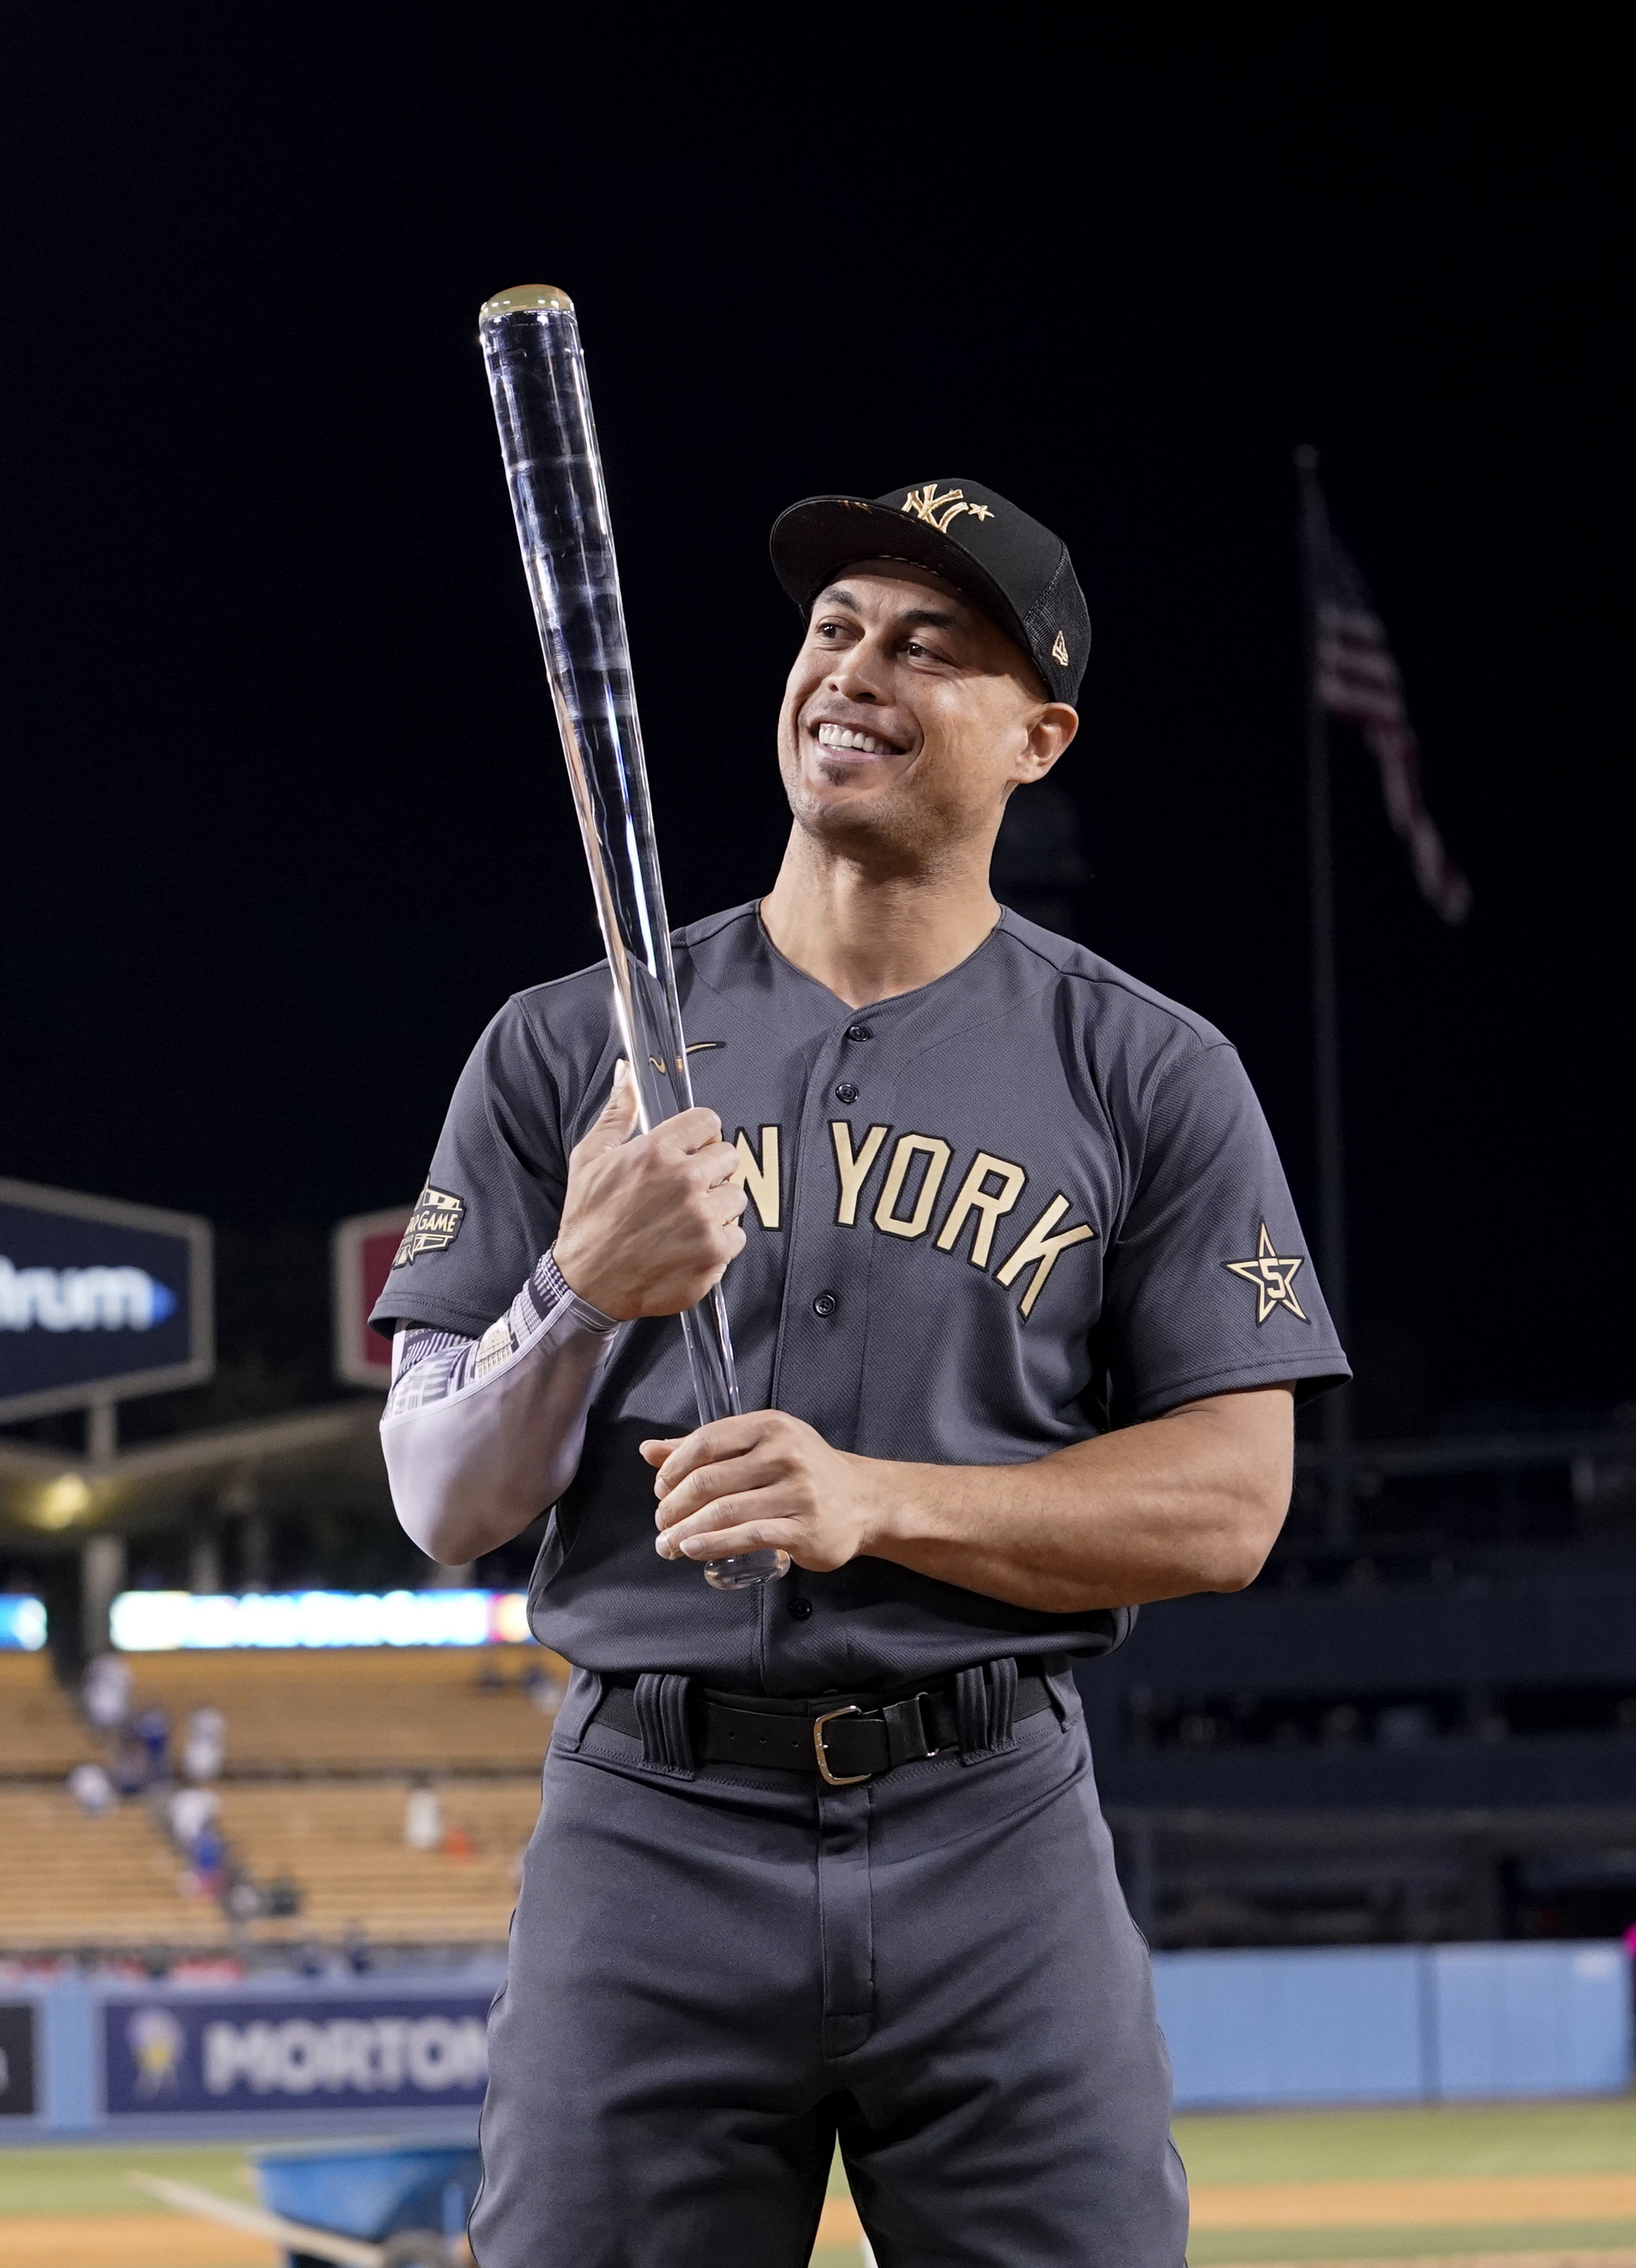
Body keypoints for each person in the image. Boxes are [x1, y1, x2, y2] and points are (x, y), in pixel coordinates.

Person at [374, 477, 1343, 2265]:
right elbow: (438, 1495)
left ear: (1037, 734)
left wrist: (872, 1497)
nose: (856, 666)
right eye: (833, 627)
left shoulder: (1145, 1069)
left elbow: (1228, 1503)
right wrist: (581, 1290)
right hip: (646, 1829)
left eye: (930, 645)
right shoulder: (558, 1047)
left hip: (994, 1824)